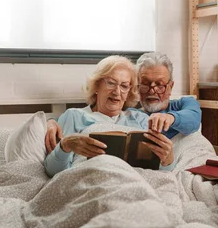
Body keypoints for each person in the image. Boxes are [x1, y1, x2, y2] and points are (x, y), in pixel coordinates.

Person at [44, 55, 176, 177]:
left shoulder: (140, 119)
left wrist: (168, 161)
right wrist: (65, 145)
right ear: (96, 85)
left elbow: (160, 175)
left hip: (136, 182)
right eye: (111, 83)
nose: (117, 92)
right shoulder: (74, 116)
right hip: (92, 180)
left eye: (124, 86)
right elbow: (52, 171)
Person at [134, 52, 201, 138]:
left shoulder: (185, 103)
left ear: (170, 86)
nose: (151, 91)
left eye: (159, 84)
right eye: (145, 84)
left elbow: (193, 119)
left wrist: (170, 118)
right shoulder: (131, 112)